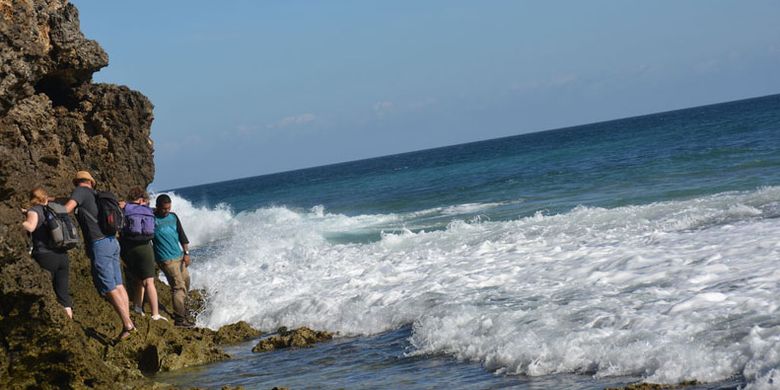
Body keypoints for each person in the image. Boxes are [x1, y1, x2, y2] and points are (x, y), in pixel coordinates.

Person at [64, 171, 135, 339]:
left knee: (108, 286)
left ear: (77, 182)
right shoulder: (96, 195)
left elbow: (67, 209)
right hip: (112, 241)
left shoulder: (80, 192)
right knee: (118, 284)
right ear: (91, 182)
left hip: (99, 244)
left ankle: (127, 324)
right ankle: (130, 321)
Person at [21, 187, 74, 319]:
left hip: (46, 257)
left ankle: (52, 324)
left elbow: (31, 226)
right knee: (63, 296)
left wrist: (18, 222)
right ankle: (69, 323)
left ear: (32, 198)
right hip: (62, 256)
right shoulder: (56, 209)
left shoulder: (34, 211)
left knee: (45, 293)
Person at [120, 187, 167, 322]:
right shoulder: (147, 210)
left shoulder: (125, 208)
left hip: (129, 248)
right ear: (141, 199)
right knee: (149, 281)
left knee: (138, 280)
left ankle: (137, 308)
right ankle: (155, 314)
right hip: (145, 247)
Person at [152, 194, 194, 327]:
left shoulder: (173, 217)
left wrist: (186, 253)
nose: (166, 211)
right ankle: (180, 320)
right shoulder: (152, 219)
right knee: (178, 288)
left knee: (186, 282)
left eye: (168, 208)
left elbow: (182, 236)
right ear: (157, 207)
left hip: (179, 257)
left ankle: (182, 311)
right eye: (164, 209)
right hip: (166, 259)